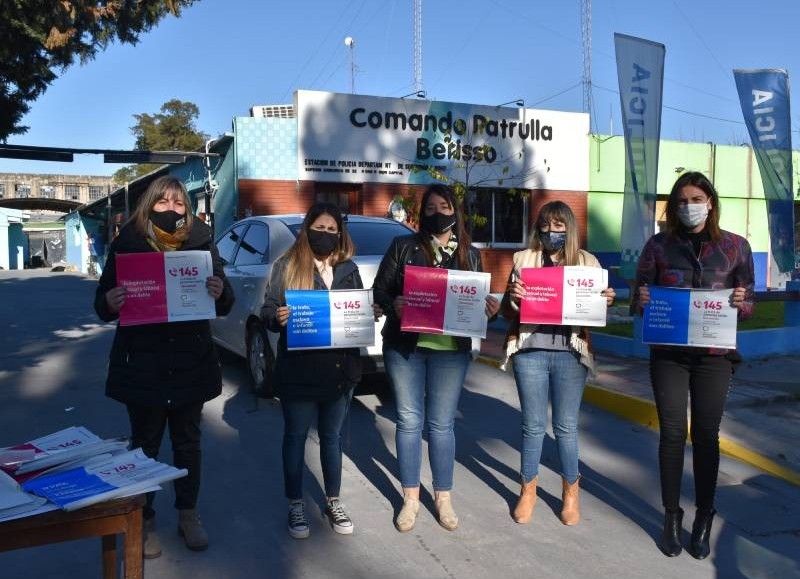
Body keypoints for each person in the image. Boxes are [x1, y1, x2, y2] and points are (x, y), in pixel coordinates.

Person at [94, 176, 234, 558]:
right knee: (145, 447)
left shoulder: (202, 242)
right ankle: (145, 519)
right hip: (143, 364)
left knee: (188, 443)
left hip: (191, 361)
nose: (171, 209)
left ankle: (188, 513)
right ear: (149, 205)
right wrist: (111, 300)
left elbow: (225, 300)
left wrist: (220, 291)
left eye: (179, 204)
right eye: (163, 202)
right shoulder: (127, 244)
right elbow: (102, 304)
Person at [632, 171, 754, 559]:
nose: (689, 207)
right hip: (669, 354)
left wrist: (740, 302)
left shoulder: (736, 247)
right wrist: (643, 299)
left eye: (696, 199)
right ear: (674, 205)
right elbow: (638, 298)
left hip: (715, 357)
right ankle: (671, 516)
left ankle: (704, 515)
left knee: (705, 434)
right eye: (682, 201)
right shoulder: (657, 246)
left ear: (710, 202)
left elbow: (749, 302)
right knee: (671, 433)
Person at [372, 184, 500, 532]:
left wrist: (489, 309)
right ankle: (410, 498)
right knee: (410, 422)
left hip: (450, 353)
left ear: (455, 210)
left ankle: (443, 497)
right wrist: (392, 304)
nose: (438, 213)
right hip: (406, 348)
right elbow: (380, 290)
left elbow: (479, 302)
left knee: (442, 425)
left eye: (444, 206)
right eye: (430, 208)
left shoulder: (470, 255)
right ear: (421, 214)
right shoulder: (403, 246)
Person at [262, 202, 374, 539]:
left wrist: (370, 313)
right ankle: (295, 503)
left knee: (332, 437)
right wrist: (275, 317)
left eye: (331, 229)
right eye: (319, 228)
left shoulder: (347, 268)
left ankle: (333, 500)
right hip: (299, 370)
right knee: (295, 436)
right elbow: (268, 308)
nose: (324, 235)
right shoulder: (286, 266)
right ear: (306, 228)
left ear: (340, 234)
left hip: (340, 370)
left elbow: (355, 311)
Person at [500, 200, 615, 526]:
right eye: (547, 226)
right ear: (539, 228)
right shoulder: (524, 259)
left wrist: (606, 299)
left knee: (566, 428)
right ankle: (528, 490)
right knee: (532, 427)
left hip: (570, 353)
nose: (552, 232)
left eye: (559, 227)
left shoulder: (587, 263)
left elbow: (596, 312)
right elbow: (508, 313)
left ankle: (571, 493)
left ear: (570, 229)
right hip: (530, 351)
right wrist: (514, 297)